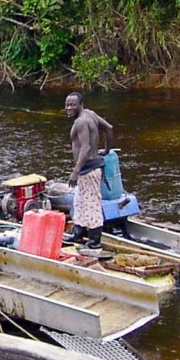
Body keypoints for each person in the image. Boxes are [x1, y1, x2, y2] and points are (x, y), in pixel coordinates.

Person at [63, 91, 114, 250]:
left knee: (92, 205)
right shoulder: (90, 114)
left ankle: (94, 242)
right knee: (79, 201)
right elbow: (108, 128)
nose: (69, 108)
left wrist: (75, 171)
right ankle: (78, 234)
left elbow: (86, 147)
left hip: (88, 170)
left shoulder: (81, 122)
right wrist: (106, 150)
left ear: (81, 104)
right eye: (67, 105)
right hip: (89, 168)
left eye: (73, 105)